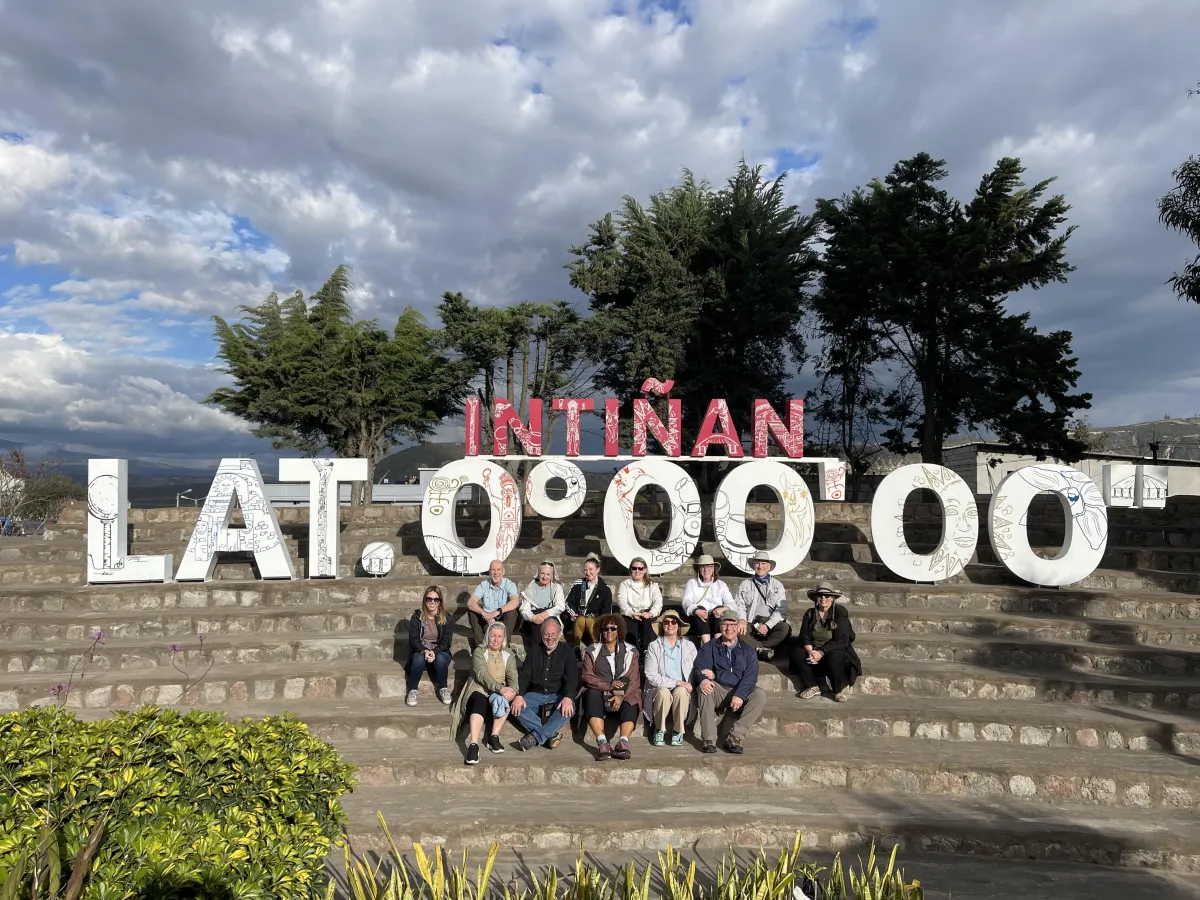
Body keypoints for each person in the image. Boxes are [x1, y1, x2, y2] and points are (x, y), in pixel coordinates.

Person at [694, 608, 767, 754]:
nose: (729, 628)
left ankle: (735, 736)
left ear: (737, 626)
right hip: (719, 689)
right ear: (720, 626)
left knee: (759, 694)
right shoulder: (709, 647)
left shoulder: (748, 649)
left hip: (739, 691)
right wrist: (702, 679)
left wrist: (740, 694)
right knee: (705, 688)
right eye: (725, 625)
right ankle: (709, 739)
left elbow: (751, 676)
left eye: (732, 625)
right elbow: (700, 667)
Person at [449, 621, 520, 765]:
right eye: (493, 635)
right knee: (479, 700)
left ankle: (494, 736)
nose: (495, 639)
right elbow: (482, 674)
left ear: (503, 638)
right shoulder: (479, 652)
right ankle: (473, 745)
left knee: (506, 699)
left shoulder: (508, 654)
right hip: (478, 687)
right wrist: (500, 688)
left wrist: (513, 690)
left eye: (499, 636)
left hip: (499, 689)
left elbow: (513, 676)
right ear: (487, 637)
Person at [579, 614, 642, 760]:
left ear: (618, 630)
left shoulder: (631, 651)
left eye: (613, 628)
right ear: (600, 631)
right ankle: (602, 742)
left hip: (624, 693)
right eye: (605, 628)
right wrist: (608, 686)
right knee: (591, 693)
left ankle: (623, 743)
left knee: (632, 699)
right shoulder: (592, 650)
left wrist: (619, 695)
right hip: (600, 692)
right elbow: (587, 676)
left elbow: (633, 678)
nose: (609, 631)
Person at [512, 617, 579, 751]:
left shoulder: (568, 652)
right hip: (536, 695)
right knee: (514, 706)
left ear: (559, 634)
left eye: (553, 634)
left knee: (569, 709)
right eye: (547, 634)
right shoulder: (534, 651)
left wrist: (568, 696)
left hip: (557, 695)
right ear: (542, 635)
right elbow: (524, 675)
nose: (550, 638)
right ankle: (550, 734)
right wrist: (519, 695)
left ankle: (536, 736)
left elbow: (572, 678)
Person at [792, 582, 862, 702]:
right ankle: (812, 686)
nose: (823, 598)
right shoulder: (810, 613)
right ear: (815, 598)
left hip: (833, 651)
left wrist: (821, 652)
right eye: (820, 595)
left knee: (835, 656)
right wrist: (811, 651)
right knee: (797, 651)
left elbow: (842, 641)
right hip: (815, 651)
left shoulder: (840, 613)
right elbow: (804, 636)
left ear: (832, 598)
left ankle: (837, 690)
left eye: (826, 596)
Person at [642, 609, 696, 746]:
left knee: (681, 692)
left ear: (678, 625)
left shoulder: (689, 646)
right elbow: (651, 676)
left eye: (674, 622)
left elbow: (697, 668)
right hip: (660, 686)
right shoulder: (653, 646)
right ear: (662, 625)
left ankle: (678, 730)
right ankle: (659, 729)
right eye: (666, 622)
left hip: (683, 687)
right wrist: (677, 682)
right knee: (663, 692)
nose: (670, 624)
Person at [734, 550, 792, 660]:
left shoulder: (777, 585)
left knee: (785, 628)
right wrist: (741, 619)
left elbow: (782, 610)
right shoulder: (745, 584)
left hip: (770, 623)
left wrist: (767, 625)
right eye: (758, 563)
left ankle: (757, 647)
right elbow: (739, 605)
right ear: (753, 565)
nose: (760, 566)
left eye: (764, 563)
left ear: (769, 566)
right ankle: (761, 649)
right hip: (751, 622)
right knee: (737, 629)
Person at [405, 586, 453, 707]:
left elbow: (446, 642)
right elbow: (414, 639)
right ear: (425, 600)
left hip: (440, 651)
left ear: (440, 601)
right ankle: (412, 690)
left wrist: (435, 652)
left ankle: (443, 688)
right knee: (417, 658)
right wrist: (424, 650)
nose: (432, 602)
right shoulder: (417, 616)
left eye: (436, 599)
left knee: (441, 658)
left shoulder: (446, 617)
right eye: (429, 599)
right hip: (422, 650)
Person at [466, 560, 520, 650]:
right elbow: (470, 602)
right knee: (472, 610)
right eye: (493, 570)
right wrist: (484, 613)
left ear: (503, 572)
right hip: (487, 619)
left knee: (512, 612)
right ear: (489, 572)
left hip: (503, 620)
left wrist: (497, 612)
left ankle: (504, 645)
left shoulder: (509, 584)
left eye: (498, 570)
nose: (496, 573)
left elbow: (515, 601)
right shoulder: (484, 585)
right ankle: (480, 648)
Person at [681, 555, 735, 644]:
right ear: (698, 569)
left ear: (713, 568)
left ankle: (718, 643)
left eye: (709, 567)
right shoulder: (692, 583)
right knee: (699, 609)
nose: (706, 570)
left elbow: (731, 603)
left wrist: (723, 609)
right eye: (703, 567)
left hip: (716, 618)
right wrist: (695, 610)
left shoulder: (721, 584)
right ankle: (707, 645)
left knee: (719, 610)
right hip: (699, 620)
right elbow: (686, 600)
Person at [564, 553, 614, 645]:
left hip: (594, 622)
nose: (588, 573)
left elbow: (606, 612)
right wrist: (573, 613)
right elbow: (568, 602)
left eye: (591, 569)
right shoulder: (578, 584)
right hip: (578, 620)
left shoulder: (605, 589)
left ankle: (597, 646)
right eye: (585, 570)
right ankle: (576, 648)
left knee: (590, 620)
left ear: (598, 569)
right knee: (581, 619)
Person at [617, 556, 662, 652]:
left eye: (640, 568)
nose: (637, 571)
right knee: (629, 622)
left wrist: (651, 613)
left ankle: (648, 650)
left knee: (648, 620)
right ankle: (633, 651)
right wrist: (631, 613)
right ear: (630, 570)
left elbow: (658, 602)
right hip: (631, 613)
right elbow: (622, 602)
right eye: (634, 568)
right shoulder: (625, 584)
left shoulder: (652, 585)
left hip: (647, 612)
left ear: (645, 570)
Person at [519, 560, 567, 636]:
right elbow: (524, 609)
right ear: (538, 574)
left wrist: (546, 614)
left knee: (550, 627)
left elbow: (560, 606)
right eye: (542, 573)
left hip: (550, 616)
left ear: (552, 575)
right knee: (537, 627)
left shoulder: (557, 588)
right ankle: (536, 648)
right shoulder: (530, 588)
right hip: (534, 616)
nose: (545, 577)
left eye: (548, 574)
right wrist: (533, 618)